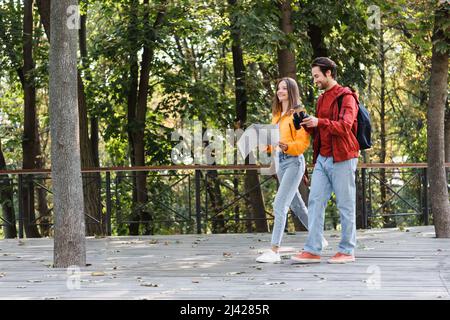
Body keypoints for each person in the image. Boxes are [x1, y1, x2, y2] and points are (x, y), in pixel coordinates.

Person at [291, 57, 359, 264]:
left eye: (317, 76)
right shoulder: (321, 99)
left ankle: (347, 251)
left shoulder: (347, 97)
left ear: (329, 73)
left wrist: (319, 121)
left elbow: (345, 126)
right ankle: (313, 249)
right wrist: (306, 123)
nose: (315, 80)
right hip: (323, 158)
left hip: (343, 158)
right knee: (315, 201)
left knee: (345, 205)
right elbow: (320, 130)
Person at [256, 77, 327, 263]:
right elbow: (274, 142)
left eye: (284, 89)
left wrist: (286, 146)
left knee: (279, 204)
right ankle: (318, 236)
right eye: (278, 88)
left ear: (291, 91)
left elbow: (302, 142)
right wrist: (267, 145)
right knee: (296, 205)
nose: (280, 91)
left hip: (294, 162)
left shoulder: (299, 114)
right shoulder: (277, 114)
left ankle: (274, 251)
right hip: (280, 162)